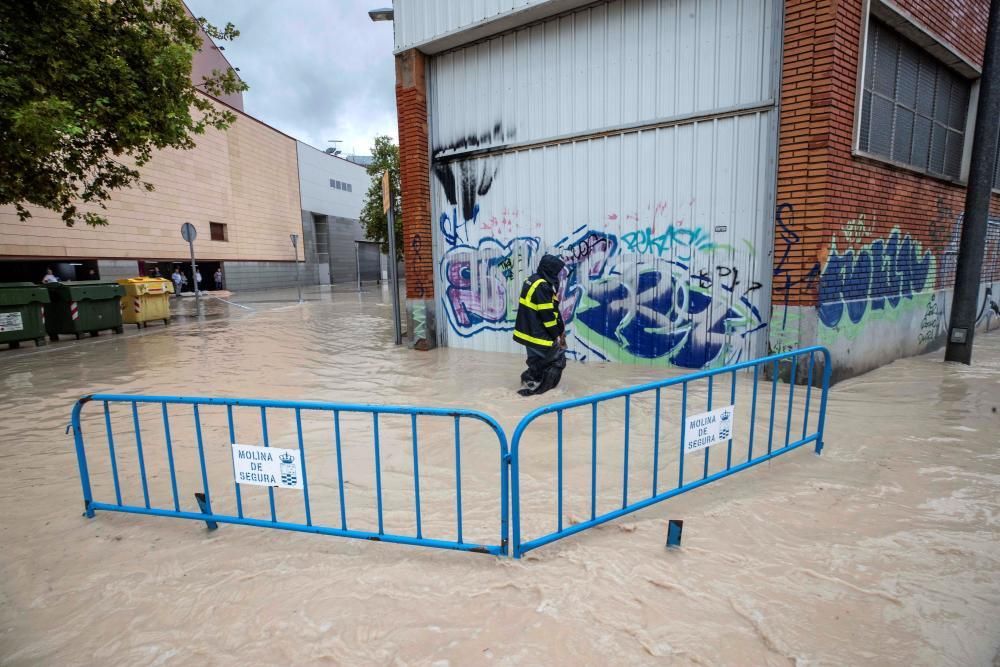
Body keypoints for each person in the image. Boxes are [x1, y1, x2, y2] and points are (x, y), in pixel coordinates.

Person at [513, 254, 567, 396]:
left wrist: (560, 328)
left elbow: (549, 309)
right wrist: (556, 335)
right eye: (556, 272)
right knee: (557, 359)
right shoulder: (542, 286)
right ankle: (540, 394)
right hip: (538, 334)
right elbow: (547, 316)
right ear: (550, 270)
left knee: (538, 360)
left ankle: (529, 381)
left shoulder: (532, 280)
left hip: (528, 333)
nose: (558, 275)